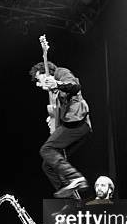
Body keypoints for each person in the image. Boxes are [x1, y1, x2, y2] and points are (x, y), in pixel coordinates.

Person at [30, 60, 91, 198]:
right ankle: (72, 201)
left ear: (47, 73)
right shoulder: (54, 92)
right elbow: (60, 110)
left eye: (41, 79)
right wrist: (53, 118)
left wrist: (57, 83)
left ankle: (76, 177)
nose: (42, 85)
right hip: (72, 127)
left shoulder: (61, 72)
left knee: (47, 149)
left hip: (78, 124)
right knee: (48, 165)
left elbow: (75, 87)